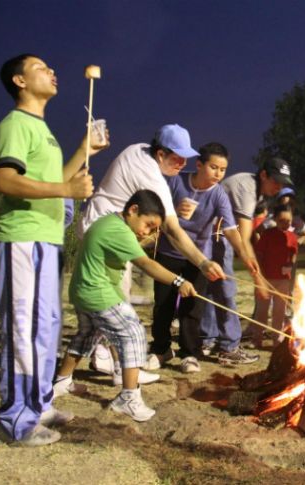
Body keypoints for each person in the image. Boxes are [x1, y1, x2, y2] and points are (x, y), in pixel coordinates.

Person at [0, 53, 103, 446]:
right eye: (40, 68)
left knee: (46, 328)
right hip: (21, 238)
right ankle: (15, 422)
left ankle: (38, 405)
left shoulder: (43, 129)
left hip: (45, 239)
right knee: (24, 329)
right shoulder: (16, 124)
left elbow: (54, 178)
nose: (52, 72)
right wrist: (66, 190)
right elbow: (5, 180)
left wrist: (84, 151)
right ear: (20, 81)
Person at [75, 123, 226, 373]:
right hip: (106, 234)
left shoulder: (138, 149)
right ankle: (116, 365)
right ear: (160, 154)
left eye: (185, 157)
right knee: (114, 303)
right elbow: (174, 231)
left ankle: (102, 358)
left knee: (105, 302)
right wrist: (203, 262)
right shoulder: (152, 176)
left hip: (105, 229)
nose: (182, 163)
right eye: (177, 158)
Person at [53, 191, 196, 421]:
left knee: (87, 334)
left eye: (153, 229)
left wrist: (147, 236)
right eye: (148, 225)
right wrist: (179, 281)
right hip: (97, 292)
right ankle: (129, 397)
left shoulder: (111, 223)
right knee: (133, 333)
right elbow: (146, 263)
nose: (147, 232)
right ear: (133, 210)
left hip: (83, 290)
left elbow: (137, 248)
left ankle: (62, 381)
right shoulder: (117, 230)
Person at [152, 142, 258, 372]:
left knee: (193, 307)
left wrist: (244, 254)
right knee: (163, 304)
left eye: (222, 170)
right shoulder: (176, 181)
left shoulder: (219, 195)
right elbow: (156, 209)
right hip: (169, 252)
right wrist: (175, 210)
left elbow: (230, 229)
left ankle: (189, 354)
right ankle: (160, 349)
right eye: (213, 167)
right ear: (199, 164)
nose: (218, 174)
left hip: (199, 257)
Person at [200, 158, 292, 357]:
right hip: (213, 234)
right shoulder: (247, 189)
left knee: (213, 285)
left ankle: (208, 339)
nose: (279, 187)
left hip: (215, 233)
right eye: (276, 180)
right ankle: (229, 345)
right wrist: (258, 279)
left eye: (283, 183)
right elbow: (243, 238)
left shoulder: (256, 191)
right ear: (263, 175)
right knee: (225, 287)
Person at [253, 203, 299, 348]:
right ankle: (257, 339)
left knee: (279, 311)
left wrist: (290, 264)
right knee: (262, 310)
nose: (285, 224)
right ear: (275, 219)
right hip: (266, 278)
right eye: (282, 221)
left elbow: (293, 255)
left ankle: (276, 338)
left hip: (283, 280)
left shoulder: (292, 236)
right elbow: (258, 254)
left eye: (288, 221)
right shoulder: (268, 234)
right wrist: (260, 275)